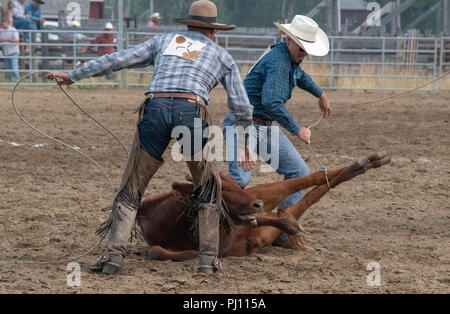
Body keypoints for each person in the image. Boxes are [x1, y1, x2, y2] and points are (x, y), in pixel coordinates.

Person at [46, 0, 254, 275]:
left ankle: (113, 256)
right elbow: (241, 106)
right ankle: (207, 260)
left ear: (189, 24)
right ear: (213, 32)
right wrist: (244, 143)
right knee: (207, 187)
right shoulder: (221, 55)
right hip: (192, 111)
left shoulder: (164, 41)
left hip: (154, 108)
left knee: (132, 186)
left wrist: (74, 75)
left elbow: (117, 59)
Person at [222, 15, 331, 247]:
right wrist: (297, 129)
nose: (304, 54)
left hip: (263, 125)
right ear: (289, 39)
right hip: (244, 123)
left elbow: (301, 77)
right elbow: (271, 102)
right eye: (301, 48)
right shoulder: (279, 62)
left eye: (306, 49)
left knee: (299, 172)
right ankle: (211, 214)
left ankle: (282, 226)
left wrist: (320, 94)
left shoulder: (288, 58)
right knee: (240, 177)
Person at [0, 17, 20, 81]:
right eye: (1, 24)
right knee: (8, 69)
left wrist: (7, 39)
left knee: (14, 68)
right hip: (5, 52)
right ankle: (11, 82)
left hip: (13, 51)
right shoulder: (2, 31)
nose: (2, 25)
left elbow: (17, 40)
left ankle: (17, 81)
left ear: (6, 23)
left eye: (3, 23)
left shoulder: (13, 30)